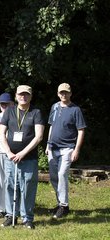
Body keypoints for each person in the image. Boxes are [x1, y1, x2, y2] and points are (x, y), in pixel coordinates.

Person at [0, 85, 44, 229]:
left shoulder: (36, 112)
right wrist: (9, 152)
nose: (23, 97)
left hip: (29, 157)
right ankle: (11, 215)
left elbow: (39, 137)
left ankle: (27, 217)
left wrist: (22, 153)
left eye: (26, 94)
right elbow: (1, 133)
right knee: (11, 185)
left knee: (28, 186)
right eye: (20, 94)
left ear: (30, 96)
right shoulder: (9, 111)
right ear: (16, 96)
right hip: (11, 157)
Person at [46, 83, 86, 219]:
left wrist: (76, 150)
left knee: (62, 174)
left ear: (70, 94)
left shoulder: (76, 110)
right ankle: (59, 204)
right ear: (58, 94)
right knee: (53, 177)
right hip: (52, 148)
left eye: (66, 92)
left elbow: (81, 130)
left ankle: (64, 206)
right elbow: (51, 126)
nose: (63, 95)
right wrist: (47, 144)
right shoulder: (55, 107)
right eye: (61, 92)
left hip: (67, 148)